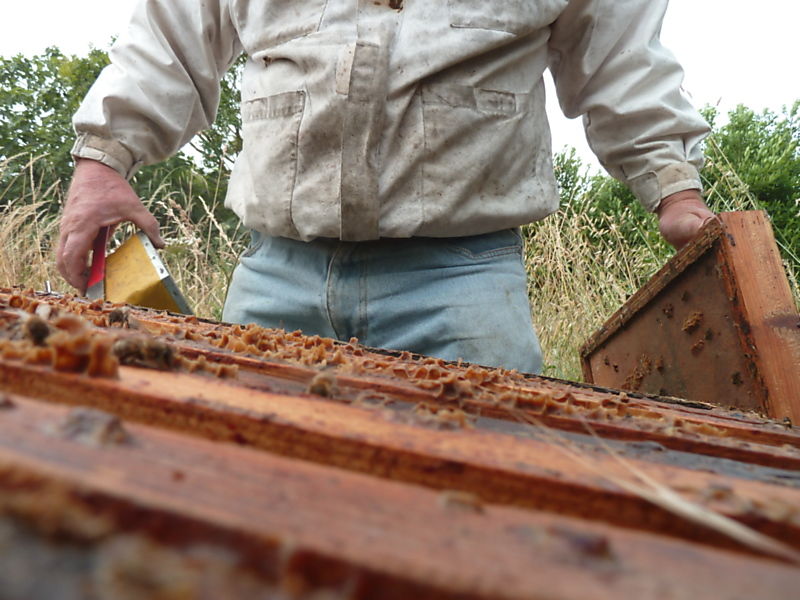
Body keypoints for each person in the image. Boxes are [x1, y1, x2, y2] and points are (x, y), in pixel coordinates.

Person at [57, 0, 714, 374]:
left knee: (479, 496)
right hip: (276, 273)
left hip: (461, 282)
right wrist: (103, 161)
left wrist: (674, 184)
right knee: (245, 485)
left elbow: (624, 62)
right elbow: (170, 37)